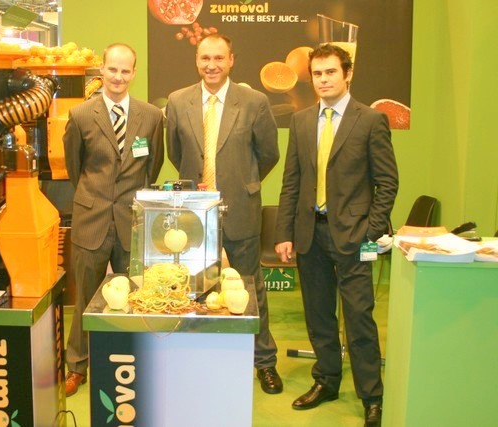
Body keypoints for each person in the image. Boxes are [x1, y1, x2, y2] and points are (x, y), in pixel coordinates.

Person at [274, 44, 398, 427]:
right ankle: (326, 380)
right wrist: (285, 232)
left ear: (348, 74)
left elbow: (387, 183)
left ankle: (371, 396)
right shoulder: (301, 121)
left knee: (359, 319)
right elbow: (292, 181)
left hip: (355, 238)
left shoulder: (371, 120)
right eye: (317, 73)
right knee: (319, 317)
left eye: (331, 72)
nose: (323, 79)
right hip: (310, 235)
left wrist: (370, 232)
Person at [166, 34, 282, 394]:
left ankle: (264, 361)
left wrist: (245, 182)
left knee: (249, 287)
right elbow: (175, 152)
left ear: (231, 60)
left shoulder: (254, 102)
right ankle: (197, 360)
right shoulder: (178, 101)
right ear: (196, 60)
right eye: (205, 58)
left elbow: (268, 154)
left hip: (241, 209)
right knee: (194, 289)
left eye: (218, 58)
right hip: (193, 214)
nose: (211, 65)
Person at [62, 43, 164, 396]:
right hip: (91, 220)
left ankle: (129, 360)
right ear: (101, 71)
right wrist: (96, 196)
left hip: (130, 222)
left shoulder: (151, 116)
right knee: (84, 297)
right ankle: (77, 366)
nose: (118, 77)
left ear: (133, 73)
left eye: (125, 70)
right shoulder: (80, 115)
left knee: (133, 297)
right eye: (112, 69)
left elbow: (153, 166)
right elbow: (75, 167)